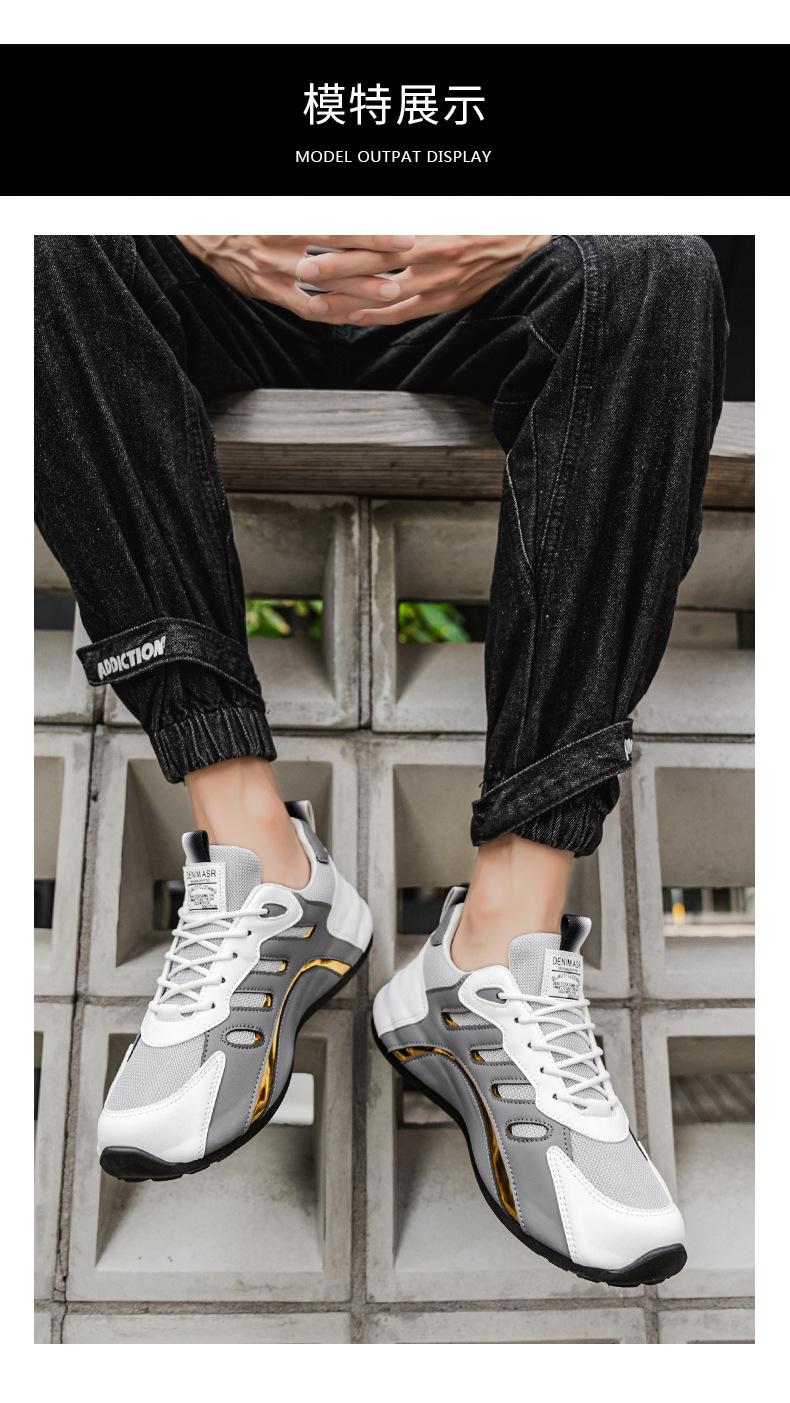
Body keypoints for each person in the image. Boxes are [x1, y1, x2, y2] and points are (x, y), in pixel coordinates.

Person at [34, 233, 726, 1286]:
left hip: (474, 284)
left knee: (659, 270)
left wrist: (525, 233)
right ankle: (261, 865)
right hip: (227, 281)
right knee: (45, 248)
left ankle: (498, 948)